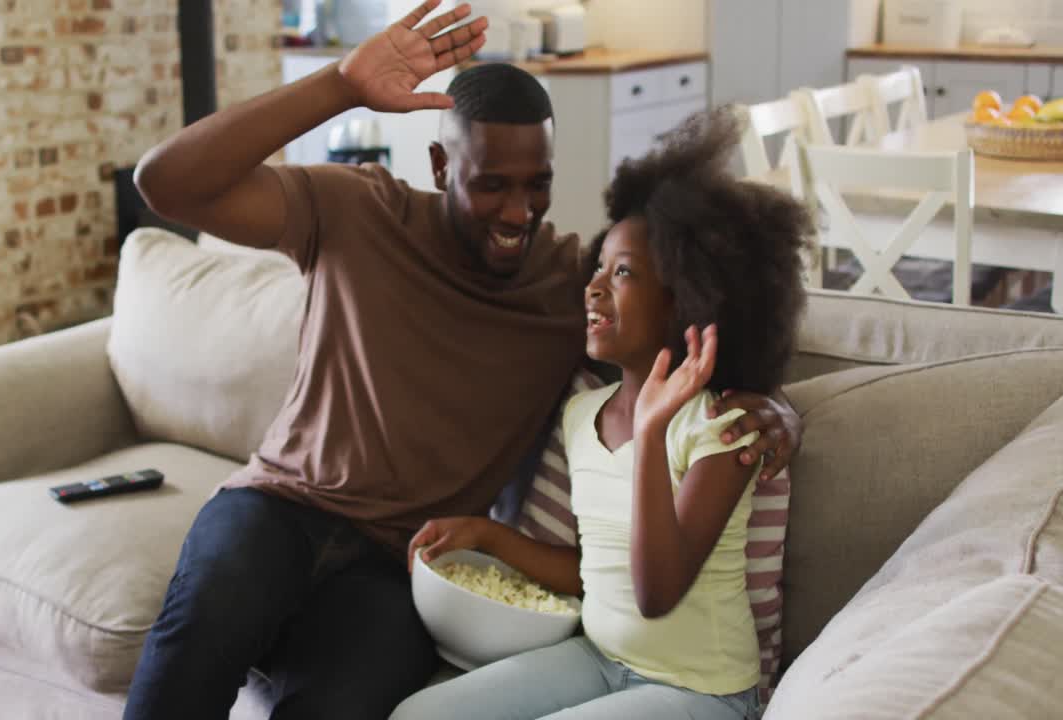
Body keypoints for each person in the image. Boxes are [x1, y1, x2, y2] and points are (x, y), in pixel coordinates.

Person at [123, 3, 803, 718]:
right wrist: (341, 86)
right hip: (279, 509)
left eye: (536, 183)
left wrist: (769, 400)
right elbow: (167, 185)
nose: (519, 211)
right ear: (441, 164)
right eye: (492, 185)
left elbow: (687, 312)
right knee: (203, 627)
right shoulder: (355, 210)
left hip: (399, 564)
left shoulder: (569, 286)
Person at [391, 109, 812, 720]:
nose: (593, 288)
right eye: (598, 268)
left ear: (688, 297)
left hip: (702, 690)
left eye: (622, 274)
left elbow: (656, 591)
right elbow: (596, 572)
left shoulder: (723, 428)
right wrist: (486, 535)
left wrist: (650, 429)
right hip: (599, 660)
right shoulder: (582, 412)